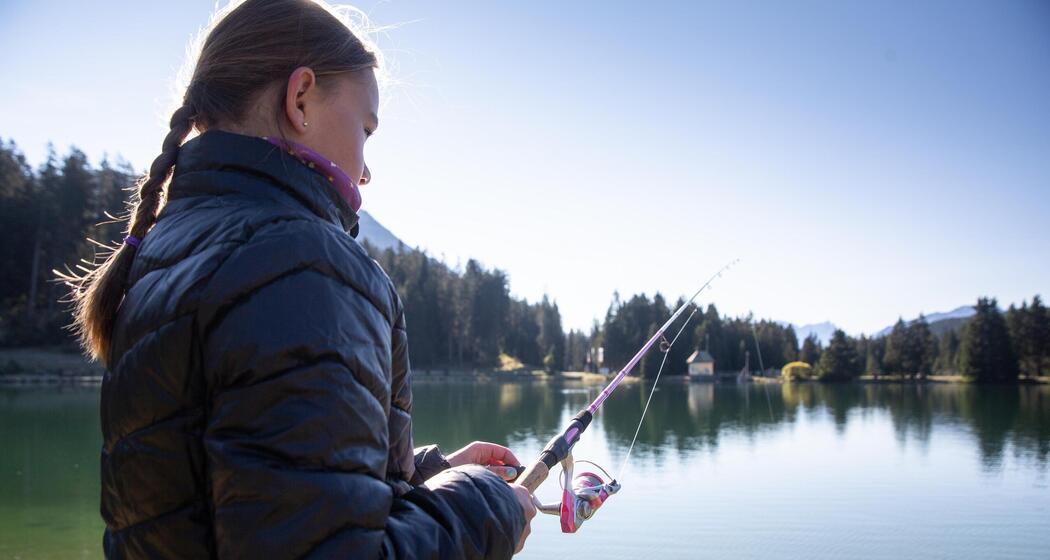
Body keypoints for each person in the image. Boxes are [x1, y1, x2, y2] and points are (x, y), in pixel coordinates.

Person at [64, 0, 536, 557]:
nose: (366, 170)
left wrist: (426, 477)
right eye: (365, 129)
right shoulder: (302, 263)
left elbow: (236, 489)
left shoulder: (162, 256)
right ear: (301, 98)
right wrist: (486, 504)